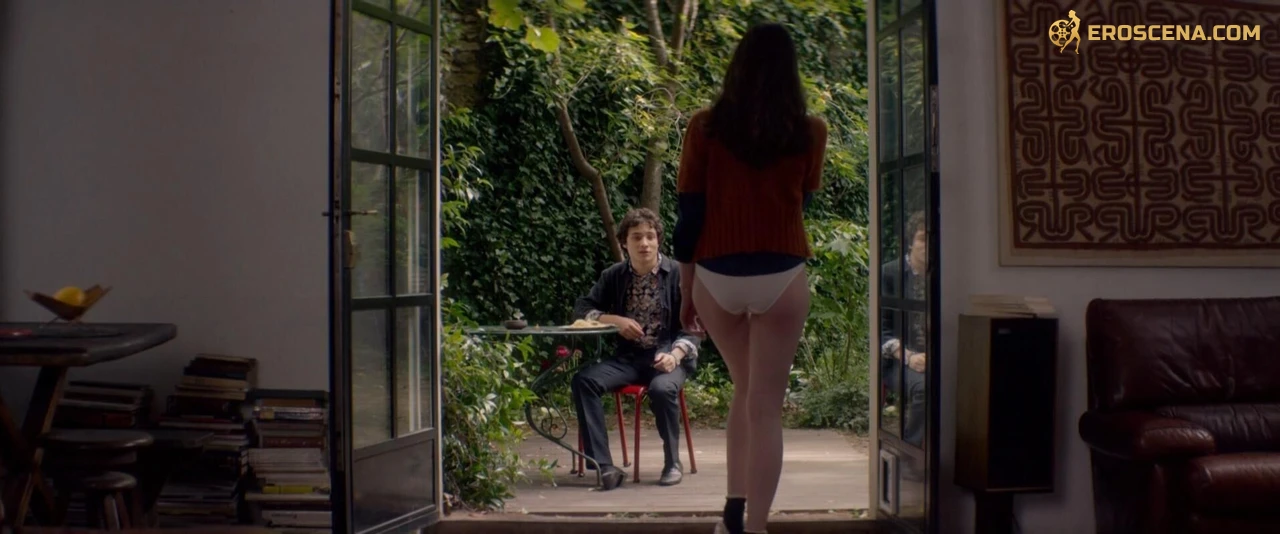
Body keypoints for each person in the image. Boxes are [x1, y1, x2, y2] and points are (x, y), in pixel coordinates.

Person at [671, 23, 827, 534]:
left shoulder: (704, 128)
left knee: (744, 390)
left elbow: (689, 216)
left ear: (736, 66)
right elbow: (800, 203)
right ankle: (755, 527)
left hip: (717, 276)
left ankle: (733, 511)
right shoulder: (810, 131)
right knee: (765, 407)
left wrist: (687, 287)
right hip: (781, 276)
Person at [571, 207, 702, 490]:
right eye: (637, 237)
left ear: (658, 240)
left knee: (662, 389)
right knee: (584, 381)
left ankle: (672, 463)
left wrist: (675, 355)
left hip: (668, 356)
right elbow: (581, 309)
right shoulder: (614, 275)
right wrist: (613, 320)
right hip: (628, 359)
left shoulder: (679, 274)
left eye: (650, 236)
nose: (644, 243)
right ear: (624, 243)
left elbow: (695, 323)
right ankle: (604, 467)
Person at [880, 210, 928, 446]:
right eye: (922, 239)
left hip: (934, 358)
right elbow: (880, 331)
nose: (928, 246)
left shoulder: (944, 273)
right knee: (924, 388)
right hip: (898, 361)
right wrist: (909, 357)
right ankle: (911, 453)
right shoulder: (890, 273)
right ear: (911, 242)